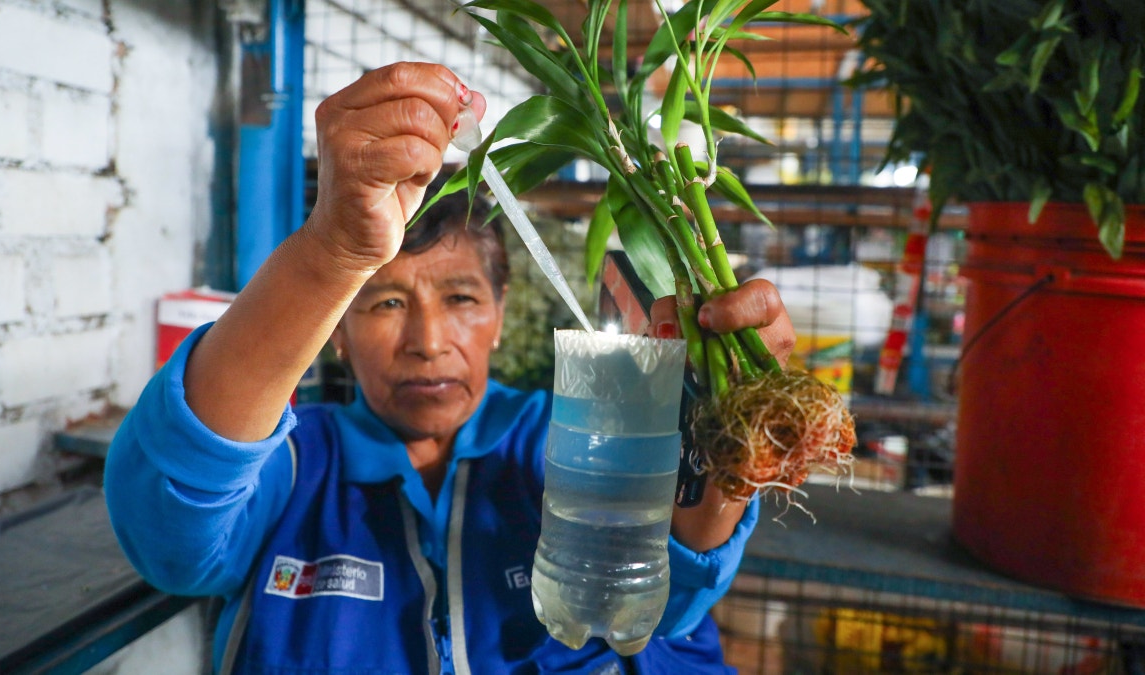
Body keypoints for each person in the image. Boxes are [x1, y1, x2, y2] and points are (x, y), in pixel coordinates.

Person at [105, 62, 795, 674]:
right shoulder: (292, 465)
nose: (427, 340)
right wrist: (334, 254)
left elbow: (667, 587)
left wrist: (735, 444)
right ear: (336, 332)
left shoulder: (571, 438)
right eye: (384, 301)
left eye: (461, 297)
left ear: (500, 312)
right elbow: (168, 532)